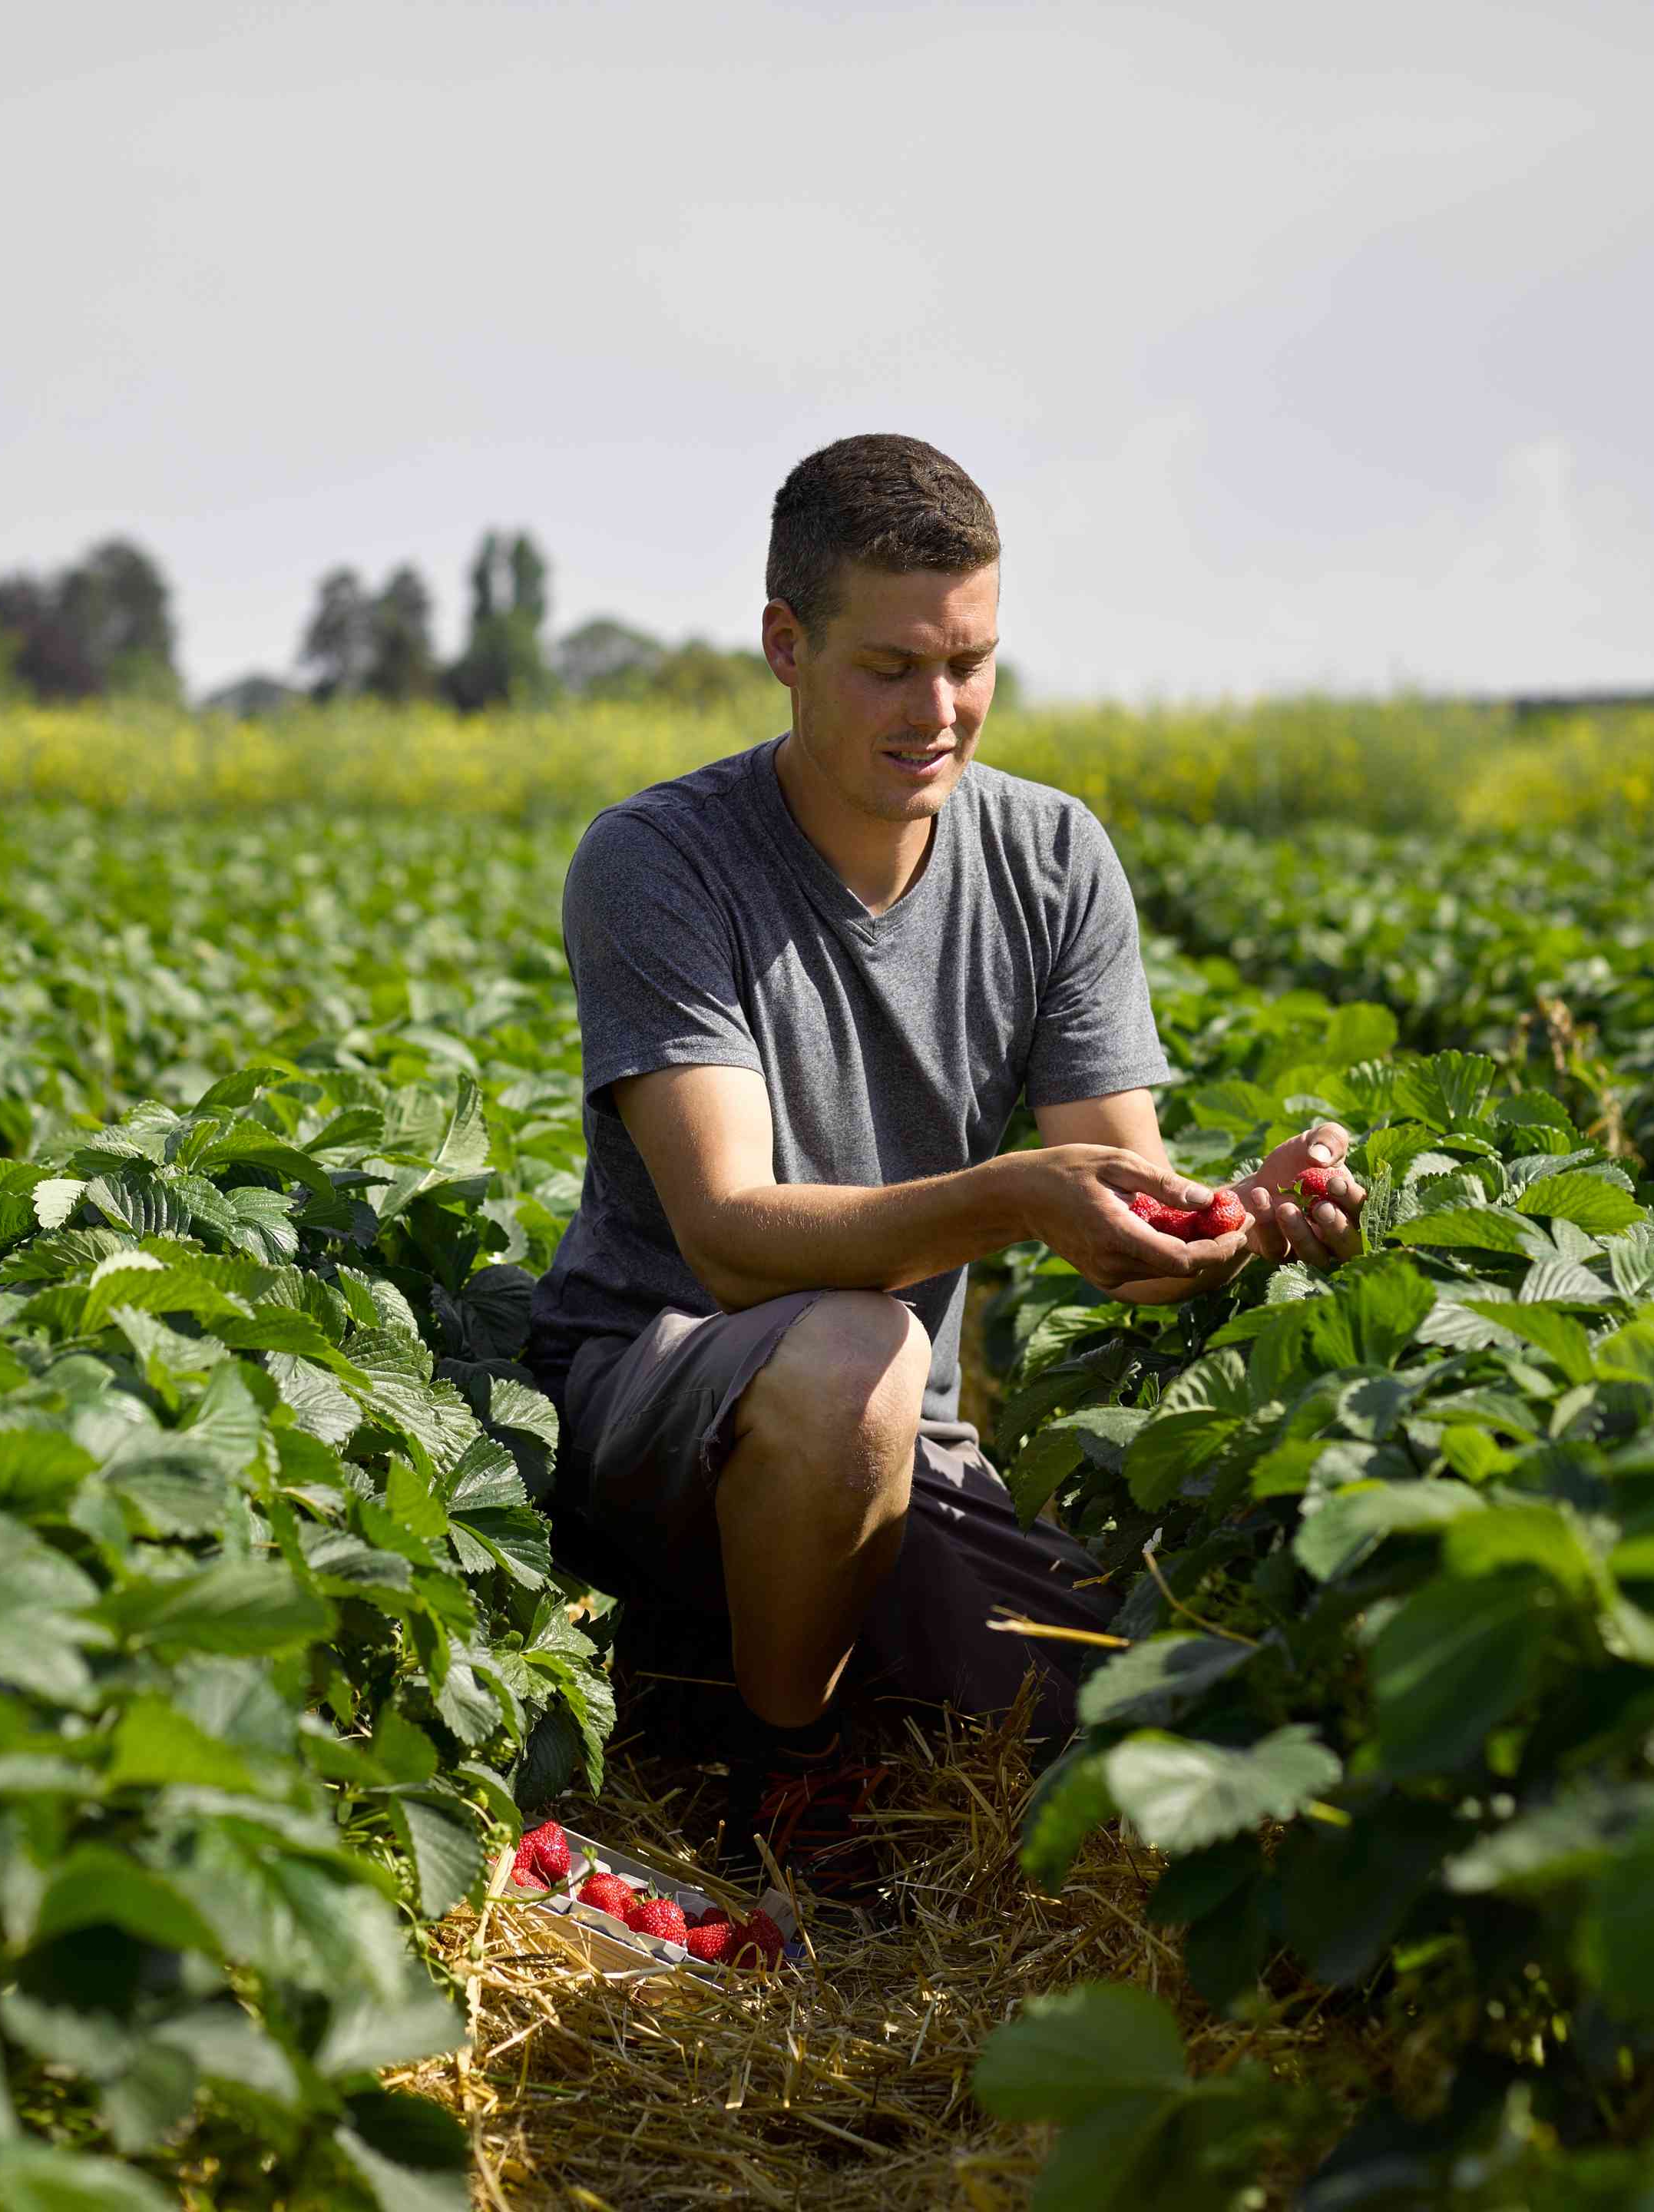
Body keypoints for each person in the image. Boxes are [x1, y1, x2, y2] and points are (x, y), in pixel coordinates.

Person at [524, 434, 1367, 1892]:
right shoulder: (660, 861)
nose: (942, 711)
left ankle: (768, 1660)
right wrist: (1013, 1199)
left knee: (1118, 1706)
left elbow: (1126, 1208)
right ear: (785, 646)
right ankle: (783, 1785)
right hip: (657, 1394)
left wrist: (1245, 1217)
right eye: (892, 667)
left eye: (973, 663)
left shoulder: (1049, 858)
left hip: (890, 1442)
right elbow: (728, 1236)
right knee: (858, 1348)